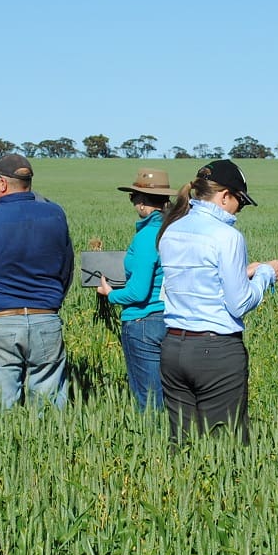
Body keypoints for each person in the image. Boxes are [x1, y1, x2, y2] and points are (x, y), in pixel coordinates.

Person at [157, 159, 278, 444]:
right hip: (216, 351)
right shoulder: (228, 236)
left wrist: (244, 272)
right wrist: (264, 275)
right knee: (226, 445)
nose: (240, 209)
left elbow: (184, 283)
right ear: (225, 196)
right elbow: (239, 303)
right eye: (241, 201)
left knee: (184, 444)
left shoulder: (171, 230)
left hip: (173, 346)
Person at [0, 154, 75, 409]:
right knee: (50, 408)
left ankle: (4, 448)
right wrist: (51, 303)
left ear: (2, 184)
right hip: (45, 318)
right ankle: (49, 448)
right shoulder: (55, 214)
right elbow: (67, 267)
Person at [96, 168, 176, 412]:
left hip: (142, 323)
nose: (133, 203)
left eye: (133, 198)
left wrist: (111, 294)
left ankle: (154, 446)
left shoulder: (146, 237)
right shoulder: (172, 232)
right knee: (170, 394)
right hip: (171, 320)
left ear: (142, 201)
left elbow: (139, 293)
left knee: (149, 399)